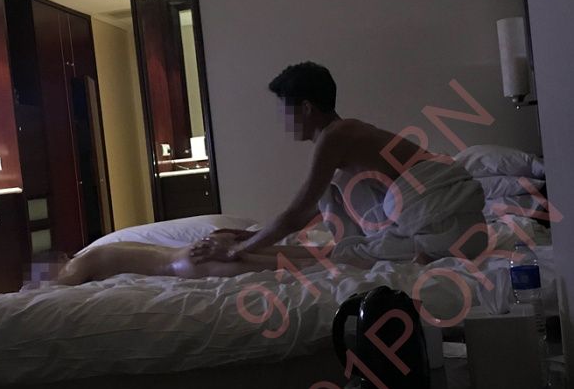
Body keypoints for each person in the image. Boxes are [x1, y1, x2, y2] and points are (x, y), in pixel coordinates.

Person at [191, 61, 487, 268]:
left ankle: (243, 259)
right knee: (336, 210)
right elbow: (309, 212)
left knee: (340, 253)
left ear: (306, 108)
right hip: (448, 229)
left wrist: (238, 249)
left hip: (448, 227)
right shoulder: (344, 137)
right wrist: (254, 237)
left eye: (284, 110)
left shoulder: (336, 136)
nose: (281, 120)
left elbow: (296, 213)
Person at [56, 232, 318, 285]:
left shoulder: (78, 263)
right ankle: (333, 251)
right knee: (303, 257)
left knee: (297, 266)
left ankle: (333, 260)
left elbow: (61, 284)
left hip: (187, 263)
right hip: (197, 247)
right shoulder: (104, 247)